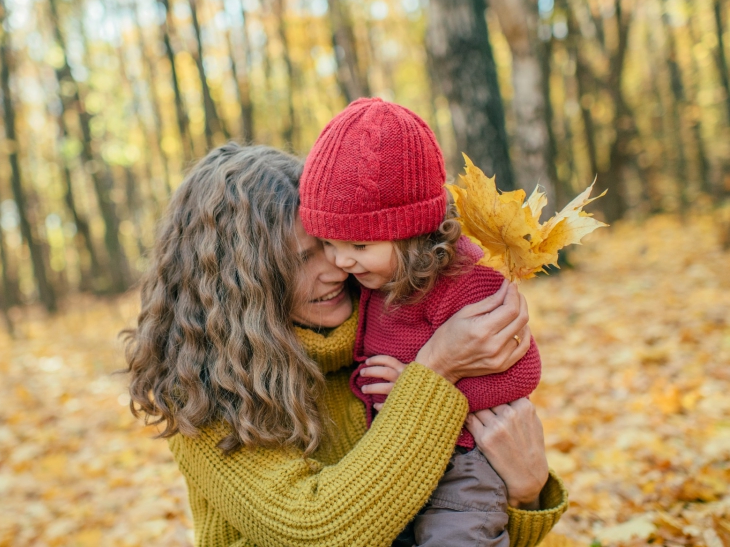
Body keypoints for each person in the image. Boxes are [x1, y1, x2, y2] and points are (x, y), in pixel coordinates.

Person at [122, 143, 567, 547]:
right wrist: (434, 373)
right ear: (239, 286)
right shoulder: (198, 391)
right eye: (300, 260)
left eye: (332, 245)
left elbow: (462, 520)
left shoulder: (398, 334)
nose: (334, 270)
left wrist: (524, 495)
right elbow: (316, 531)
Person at [299, 98, 541, 546]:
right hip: (399, 461)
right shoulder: (374, 277)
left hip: (464, 467)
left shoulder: (463, 281)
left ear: (413, 229)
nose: (340, 261)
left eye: (357, 244)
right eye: (327, 243)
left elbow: (521, 374)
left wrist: (419, 385)